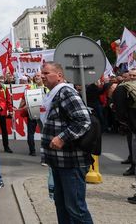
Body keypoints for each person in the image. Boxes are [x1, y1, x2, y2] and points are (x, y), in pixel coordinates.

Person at [40, 62, 94, 223]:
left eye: (46, 73)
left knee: (76, 208)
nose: (42, 76)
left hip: (71, 161)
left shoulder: (65, 92)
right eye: (42, 73)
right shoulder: (53, 94)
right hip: (59, 160)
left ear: (59, 75)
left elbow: (83, 120)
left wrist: (62, 137)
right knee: (62, 204)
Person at [112, 71, 136, 205]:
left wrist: (128, 123)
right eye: (128, 75)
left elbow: (119, 112)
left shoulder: (121, 89)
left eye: (132, 75)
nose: (130, 78)